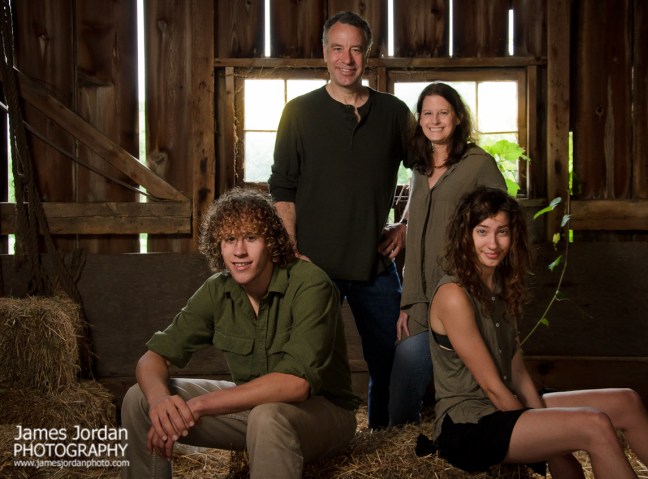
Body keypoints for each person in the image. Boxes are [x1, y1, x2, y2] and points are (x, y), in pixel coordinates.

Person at [419, 186, 648, 478]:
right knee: (594, 424)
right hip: (468, 424)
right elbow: (493, 388)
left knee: (626, 402)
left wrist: (544, 421)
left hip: (504, 402)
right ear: (465, 235)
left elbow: (516, 370)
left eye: (502, 231)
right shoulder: (454, 295)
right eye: (482, 231)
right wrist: (554, 451)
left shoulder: (499, 284)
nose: (493, 243)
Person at [120, 187, 359, 479]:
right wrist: (160, 402)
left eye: (251, 237)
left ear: (271, 242)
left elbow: (296, 385)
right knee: (139, 398)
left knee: (268, 417)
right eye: (229, 239)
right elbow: (152, 358)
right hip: (253, 410)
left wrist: (199, 405)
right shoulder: (218, 289)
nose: (239, 251)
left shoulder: (310, 284)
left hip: (324, 413)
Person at [269, 10, 414, 429]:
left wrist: (406, 223)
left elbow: (427, 169)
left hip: (374, 264)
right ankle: (321, 435)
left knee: (391, 356)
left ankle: (384, 437)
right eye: (337, 48)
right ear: (324, 53)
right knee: (309, 361)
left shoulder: (394, 113)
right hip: (314, 266)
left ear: (368, 53)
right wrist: (291, 252)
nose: (346, 59)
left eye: (355, 49)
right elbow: (283, 188)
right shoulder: (299, 112)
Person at [388, 83, 506, 426]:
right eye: (427, 113)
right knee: (402, 392)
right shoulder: (420, 166)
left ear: (458, 117)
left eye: (443, 112)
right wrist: (406, 302)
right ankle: (403, 447)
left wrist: (484, 280)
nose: (435, 120)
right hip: (418, 297)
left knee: (473, 381)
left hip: (459, 293)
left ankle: (497, 436)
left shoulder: (478, 164)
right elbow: (418, 212)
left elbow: (502, 221)